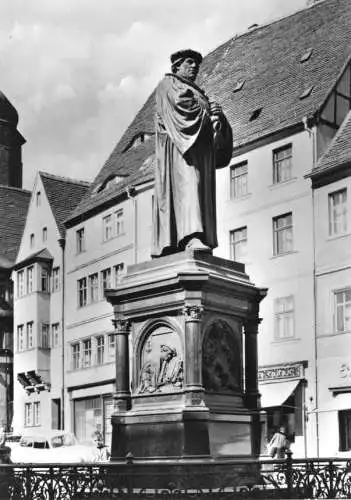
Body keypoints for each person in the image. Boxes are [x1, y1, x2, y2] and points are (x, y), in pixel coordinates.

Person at [152, 48, 233, 257]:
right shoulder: (169, 85)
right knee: (188, 187)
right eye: (189, 62)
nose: (195, 66)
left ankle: (199, 235)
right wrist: (208, 113)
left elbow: (205, 117)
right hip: (182, 151)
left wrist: (220, 119)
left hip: (199, 151)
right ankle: (189, 236)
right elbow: (182, 111)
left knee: (197, 189)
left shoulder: (197, 91)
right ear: (176, 66)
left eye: (197, 63)